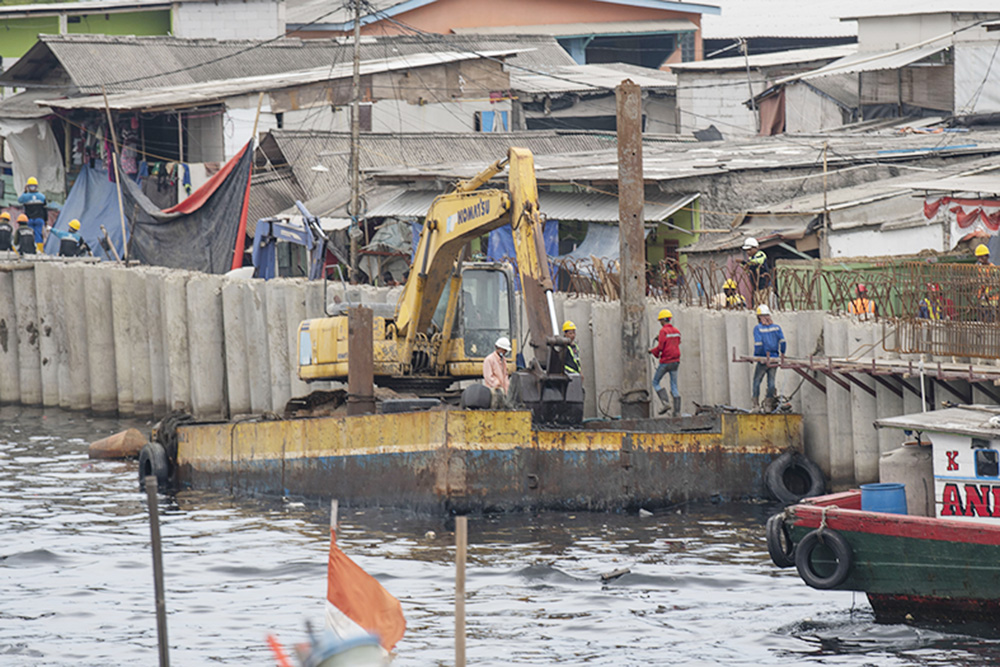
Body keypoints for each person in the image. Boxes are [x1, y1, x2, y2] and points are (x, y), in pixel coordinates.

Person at [752, 304, 786, 412]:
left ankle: (756, 405)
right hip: (774, 359)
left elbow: (758, 344)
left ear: (759, 317)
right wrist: (782, 353)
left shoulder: (758, 328)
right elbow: (783, 342)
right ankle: (768, 404)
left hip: (763, 359)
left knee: (756, 381)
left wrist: (756, 356)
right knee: (771, 382)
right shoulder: (777, 327)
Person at [649, 308, 681, 416]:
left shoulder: (663, 331)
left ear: (663, 320)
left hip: (666, 361)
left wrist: (651, 351)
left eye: (660, 321)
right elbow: (676, 342)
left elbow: (661, 348)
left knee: (655, 382)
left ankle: (665, 402)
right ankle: (677, 412)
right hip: (675, 361)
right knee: (674, 386)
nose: (660, 323)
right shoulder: (676, 331)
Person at [17, 176, 47, 254]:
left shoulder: (25, 196)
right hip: (39, 219)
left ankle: (30, 249)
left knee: (29, 234)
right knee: (38, 235)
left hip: (29, 219)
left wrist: (25, 191)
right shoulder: (42, 197)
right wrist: (46, 220)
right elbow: (45, 209)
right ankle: (39, 250)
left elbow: (19, 200)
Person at [740, 237, 769, 306]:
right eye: (746, 250)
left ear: (756, 248)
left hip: (763, 283)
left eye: (750, 250)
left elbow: (758, 261)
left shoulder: (760, 254)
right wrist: (744, 265)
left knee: (762, 301)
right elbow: (749, 269)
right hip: (756, 284)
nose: (748, 252)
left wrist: (747, 263)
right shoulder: (750, 258)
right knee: (757, 301)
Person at [975, 244, 998, 322]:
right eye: (978, 257)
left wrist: (990, 293)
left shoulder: (993, 269)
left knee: (989, 322)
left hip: (991, 301)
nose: (980, 259)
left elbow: (998, 285)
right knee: (980, 322)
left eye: (982, 257)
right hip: (981, 300)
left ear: (987, 256)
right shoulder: (978, 269)